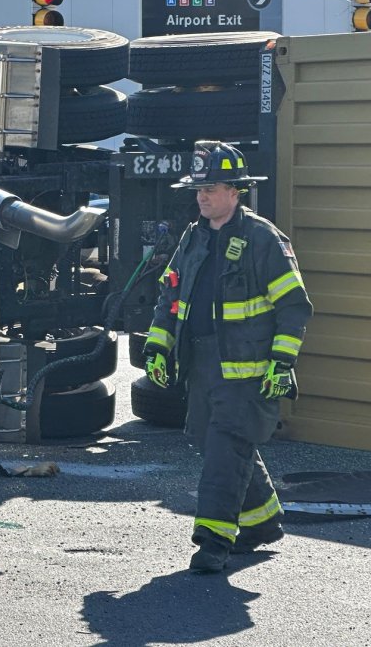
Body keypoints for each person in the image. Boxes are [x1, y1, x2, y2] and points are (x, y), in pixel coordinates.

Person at [143, 140, 313, 573]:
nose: (202, 196)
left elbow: (294, 306)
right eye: (198, 189)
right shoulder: (194, 237)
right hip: (201, 365)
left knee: (223, 450)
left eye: (212, 188)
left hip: (248, 371)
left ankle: (214, 541)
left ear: (236, 191)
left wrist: (282, 362)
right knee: (211, 441)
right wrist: (158, 345)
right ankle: (262, 521)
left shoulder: (262, 239)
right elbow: (171, 293)